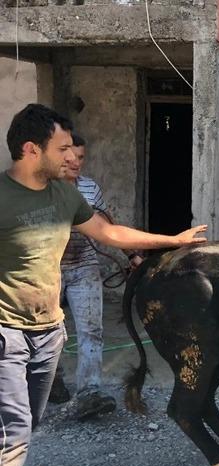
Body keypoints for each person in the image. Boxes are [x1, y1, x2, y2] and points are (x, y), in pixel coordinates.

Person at [0, 104, 207, 466]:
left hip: (48, 332)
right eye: (62, 149)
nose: (71, 157)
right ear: (32, 150)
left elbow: (109, 232)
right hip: (6, 332)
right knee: (12, 429)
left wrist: (172, 239)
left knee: (26, 422)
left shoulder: (64, 196)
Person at [46, 134, 144, 420]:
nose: (75, 162)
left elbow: (107, 226)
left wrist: (132, 256)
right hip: (48, 269)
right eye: (70, 156)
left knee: (91, 331)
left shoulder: (89, 188)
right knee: (48, 333)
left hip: (84, 267)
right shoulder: (42, 188)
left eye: (81, 157)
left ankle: (90, 391)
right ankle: (51, 381)